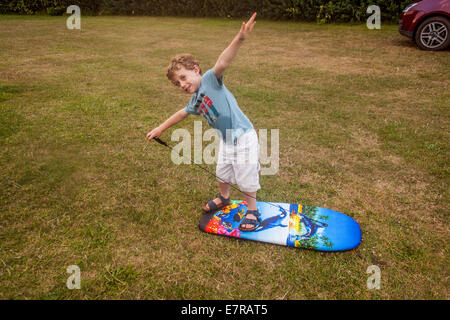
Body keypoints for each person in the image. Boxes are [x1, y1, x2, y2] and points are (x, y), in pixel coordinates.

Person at [147, 13, 261, 232]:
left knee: (246, 176)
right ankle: (224, 197)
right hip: (227, 142)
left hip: (244, 137)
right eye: (176, 83)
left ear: (196, 69)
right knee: (222, 173)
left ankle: (253, 208)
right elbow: (181, 113)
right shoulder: (195, 101)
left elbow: (223, 61)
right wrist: (160, 128)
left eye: (183, 77)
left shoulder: (211, 79)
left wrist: (240, 38)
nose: (181, 84)